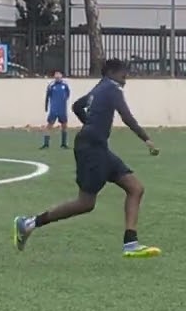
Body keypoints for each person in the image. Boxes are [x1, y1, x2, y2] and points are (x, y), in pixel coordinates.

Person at [14, 58, 161, 258]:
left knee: (135, 188)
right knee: (85, 203)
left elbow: (76, 106)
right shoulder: (111, 88)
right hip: (91, 149)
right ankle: (29, 223)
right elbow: (126, 116)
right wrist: (147, 139)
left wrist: (90, 124)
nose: (126, 77)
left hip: (97, 146)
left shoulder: (99, 88)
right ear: (112, 72)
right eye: (123, 72)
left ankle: (131, 243)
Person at [41, 70, 71, 150]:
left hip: (62, 109)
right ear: (54, 77)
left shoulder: (65, 85)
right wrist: (46, 107)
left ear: (61, 76)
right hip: (54, 109)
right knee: (49, 125)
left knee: (64, 125)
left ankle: (64, 144)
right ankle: (46, 144)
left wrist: (64, 100)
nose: (57, 77)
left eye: (59, 75)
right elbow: (47, 96)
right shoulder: (51, 85)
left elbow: (68, 94)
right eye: (56, 75)